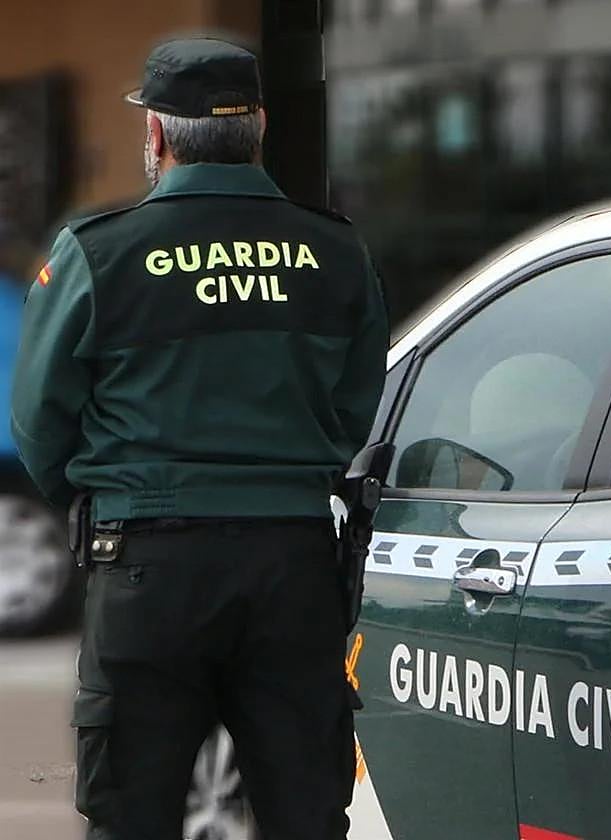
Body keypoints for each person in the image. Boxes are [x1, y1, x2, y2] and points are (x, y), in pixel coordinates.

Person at [10, 38, 388, 839]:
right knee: (306, 813)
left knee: (132, 815)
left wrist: (104, 499)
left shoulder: (98, 251)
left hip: (148, 567)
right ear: (259, 127)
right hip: (293, 570)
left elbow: (40, 420)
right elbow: (355, 410)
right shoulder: (336, 251)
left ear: (156, 136)